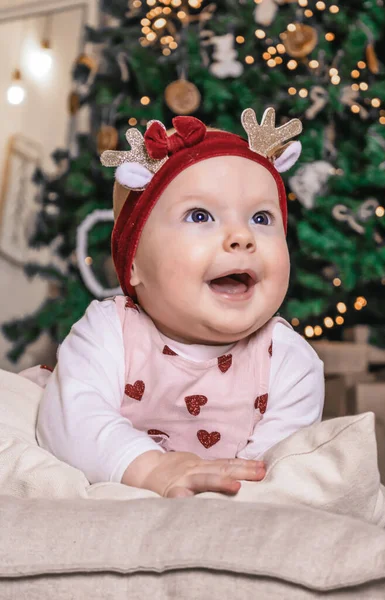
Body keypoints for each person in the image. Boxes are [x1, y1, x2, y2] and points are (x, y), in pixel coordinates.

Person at [31, 108, 324, 499]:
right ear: (133, 263)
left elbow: (275, 477)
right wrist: (151, 467)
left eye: (261, 218)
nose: (241, 237)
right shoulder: (109, 332)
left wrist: (227, 494)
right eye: (200, 215)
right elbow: (68, 421)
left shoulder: (287, 361)